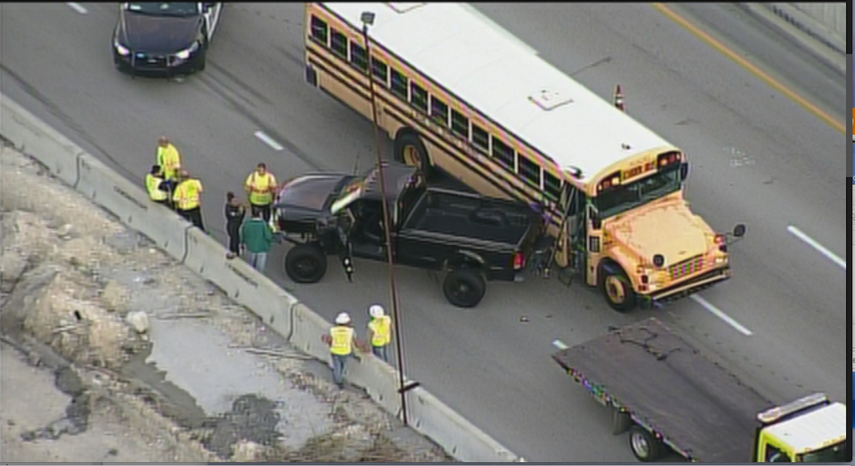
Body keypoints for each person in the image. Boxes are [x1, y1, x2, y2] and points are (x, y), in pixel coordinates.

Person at [321, 312, 362, 388]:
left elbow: (329, 340)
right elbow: (355, 343)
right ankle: (339, 379)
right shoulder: (351, 331)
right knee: (342, 366)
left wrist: (330, 345)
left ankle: (338, 381)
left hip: (335, 351)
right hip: (345, 351)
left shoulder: (333, 330)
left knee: (337, 366)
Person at [225, 192, 245, 259]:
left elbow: (228, 215)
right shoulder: (239, 207)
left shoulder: (228, 206)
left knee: (233, 237)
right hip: (235, 223)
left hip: (232, 224)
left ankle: (233, 250)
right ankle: (235, 250)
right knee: (235, 237)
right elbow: (241, 214)